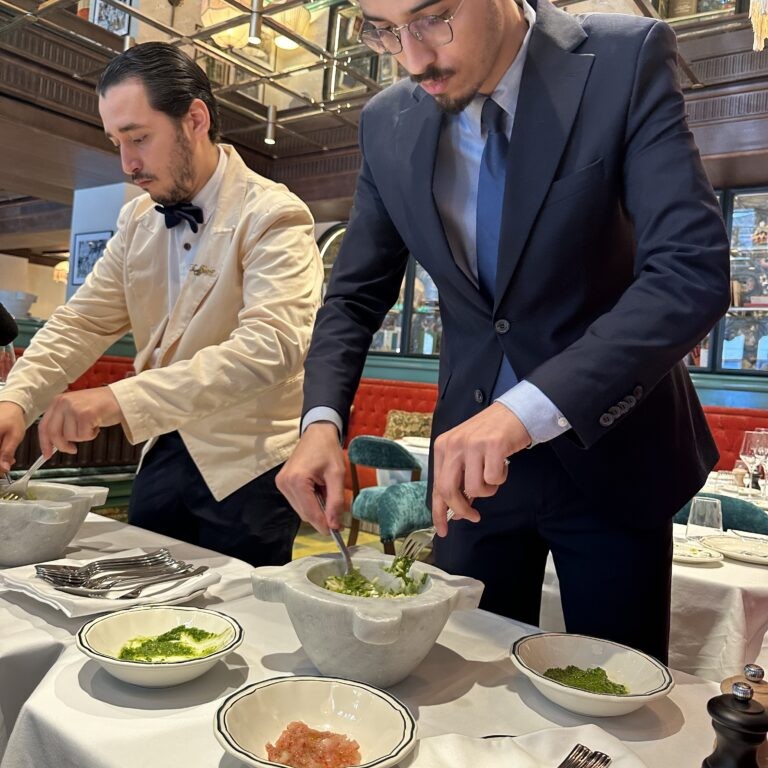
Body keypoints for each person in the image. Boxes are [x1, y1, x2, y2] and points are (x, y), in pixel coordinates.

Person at [276, 0, 731, 661]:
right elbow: (352, 298)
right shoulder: (386, 122)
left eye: (432, 18)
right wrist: (321, 421)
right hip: (468, 470)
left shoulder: (624, 59)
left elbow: (688, 273)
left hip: (613, 448)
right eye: (383, 30)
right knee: (455, 674)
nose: (412, 58)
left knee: (614, 698)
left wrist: (522, 411)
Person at [0, 43, 322, 566]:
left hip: (247, 467)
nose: (127, 164)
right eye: (116, 142)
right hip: (163, 450)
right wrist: (16, 399)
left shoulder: (274, 214)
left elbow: (271, 349)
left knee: (238, 620)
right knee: (138, 600)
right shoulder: (137, 222)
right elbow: (81, 322)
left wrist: (114, 400)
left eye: (139, 138)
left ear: (195, 118)